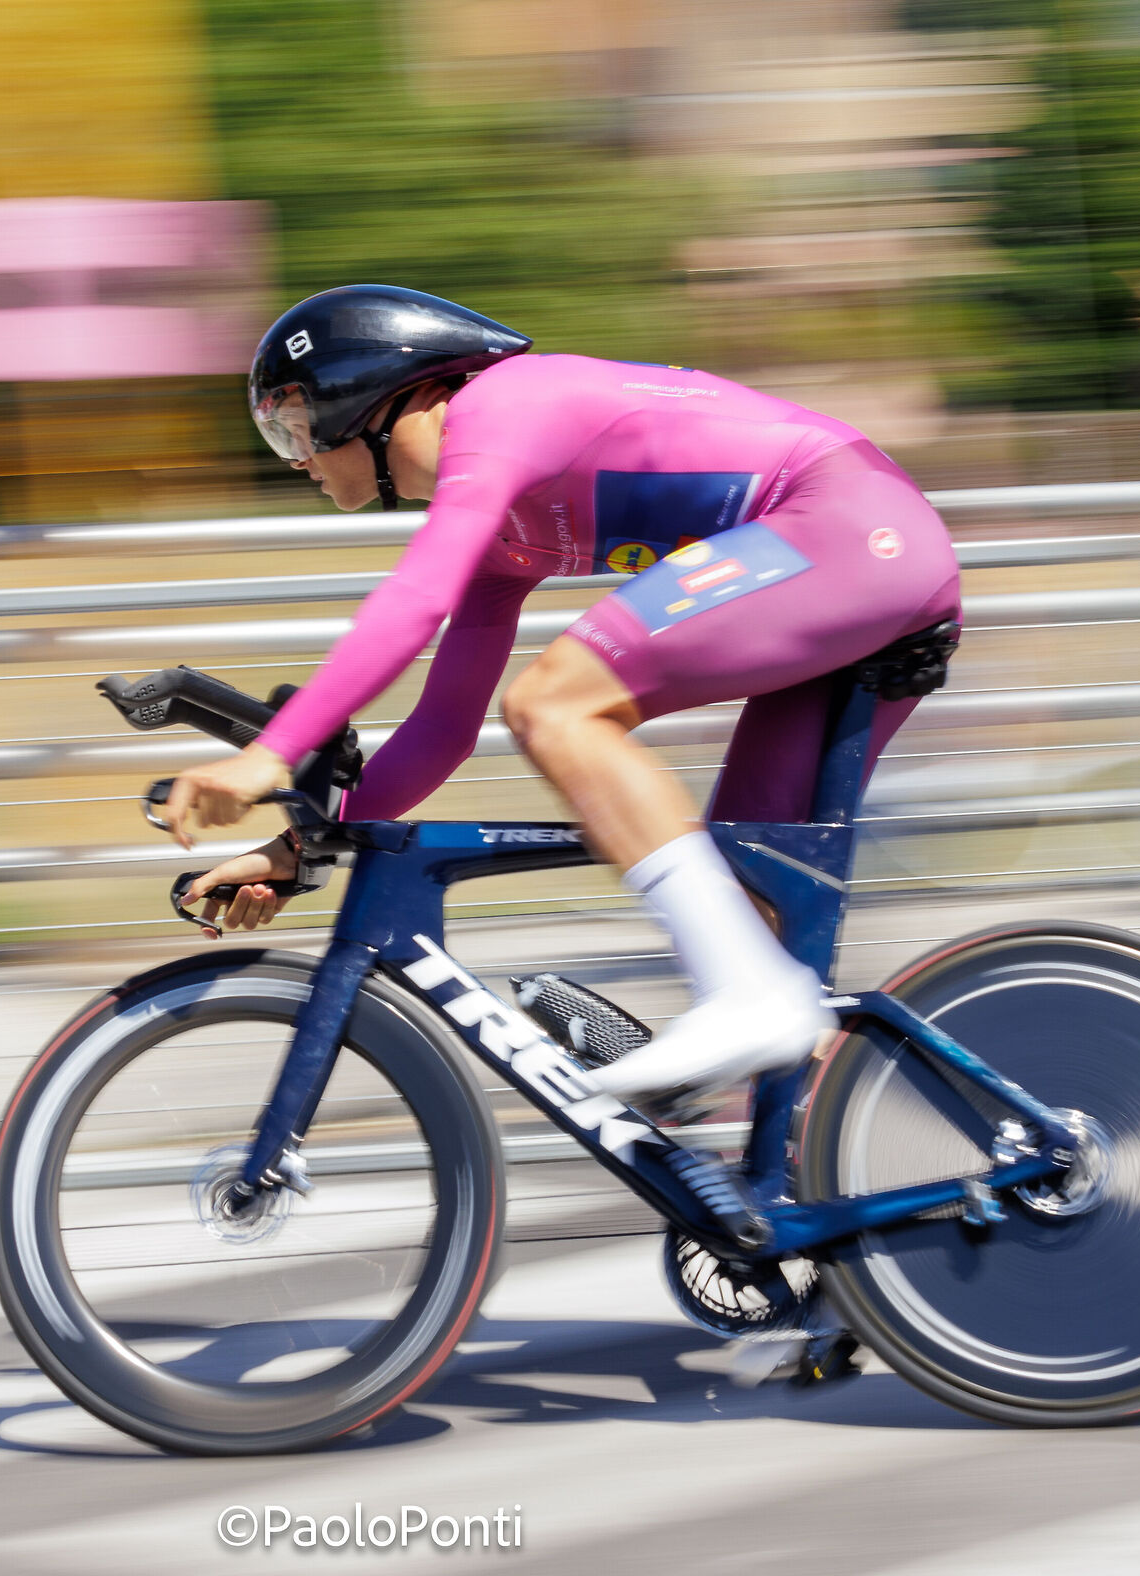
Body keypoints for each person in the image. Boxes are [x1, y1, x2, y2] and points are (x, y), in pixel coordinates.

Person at [162, 286, 959, 1102]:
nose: (292, 457)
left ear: (361, 398)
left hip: (848, 525)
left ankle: (750, 1005)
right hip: (853, 555)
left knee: (555, 704)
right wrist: (299, 852)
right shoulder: (505, 524)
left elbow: (413, 601)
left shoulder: (497, 412)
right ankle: (793, 1178)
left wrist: (272, 754)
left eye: (291, 426)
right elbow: (442, 729)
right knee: (747, 900)